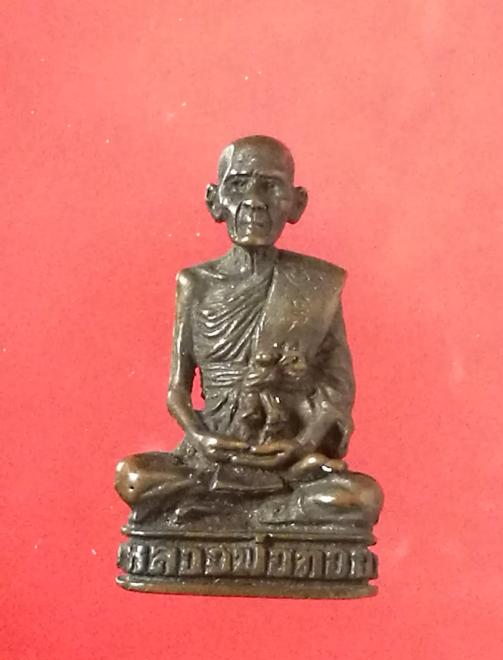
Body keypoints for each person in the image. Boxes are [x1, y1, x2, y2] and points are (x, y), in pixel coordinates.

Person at [115, 135, 382, 528]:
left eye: (270, 187)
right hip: (211, 456)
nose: (254, 201)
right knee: (133, 477)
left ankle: (250, 511)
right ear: (215, 200)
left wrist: (303, 443)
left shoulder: (316, 284)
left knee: (361, 497)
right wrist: (201, 438)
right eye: (238, 185)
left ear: (296, 203)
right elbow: (176, 390)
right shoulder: (196, 284)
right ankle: (259, 513)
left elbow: (338, 388)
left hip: (287, 460)